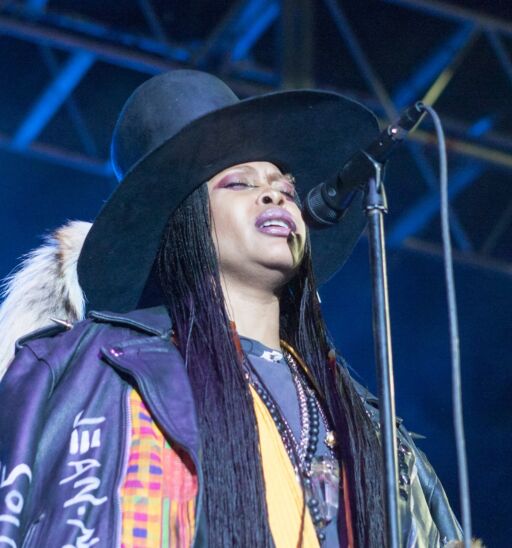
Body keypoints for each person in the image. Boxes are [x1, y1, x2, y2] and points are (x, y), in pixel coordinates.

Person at [0, 70, 462, 547]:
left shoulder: (367, 423)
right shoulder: (99, 370)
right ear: (184, 221)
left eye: (285, 185)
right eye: (239, 183)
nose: (276, 193)